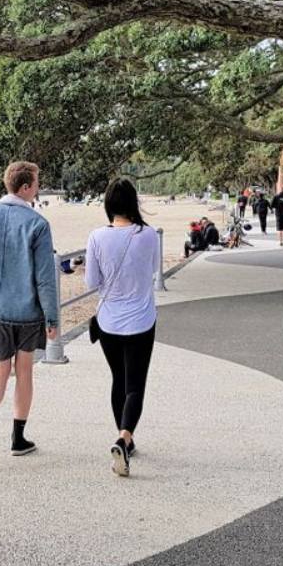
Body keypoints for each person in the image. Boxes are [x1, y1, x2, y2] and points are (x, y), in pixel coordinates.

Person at [0, 161, 58, 464]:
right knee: (24, 371)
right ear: (25, 187)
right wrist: (53, 318)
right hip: (27, 310)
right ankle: (18, 439)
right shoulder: (37, 224)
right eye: (36, 182)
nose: (38, 187)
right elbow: (45, 277)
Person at [85, 177, 160, 478]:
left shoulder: (96, 237)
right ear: (133, 204)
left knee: (118, 380)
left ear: (108, 205)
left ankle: (124, 436)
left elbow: (91, 282)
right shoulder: (149, 234)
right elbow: (153, 270)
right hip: (141, 318)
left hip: (109, 322)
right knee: (135, 385)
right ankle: (124, 438)